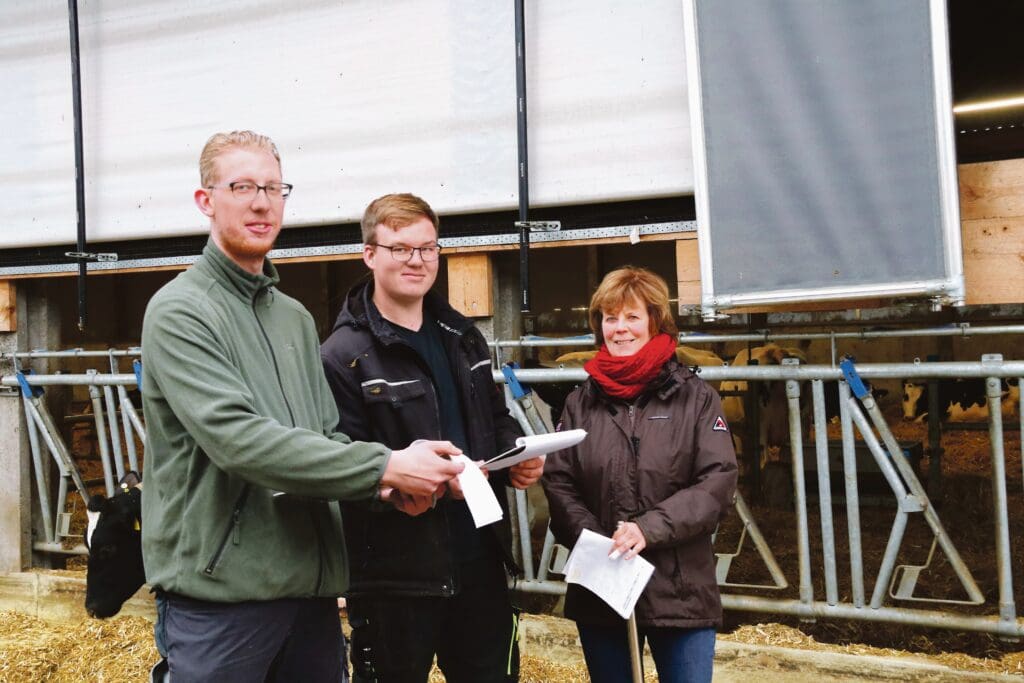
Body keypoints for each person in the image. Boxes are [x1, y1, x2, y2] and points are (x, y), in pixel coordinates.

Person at [141, 132, 465, 682]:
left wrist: (386, 488)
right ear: (206, 201)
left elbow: (325, 436)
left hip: (309, 592)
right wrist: (385, 464)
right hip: (223, 596)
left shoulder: (291, 316)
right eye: (242, 186)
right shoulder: (180, 311)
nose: (262, 202)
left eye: (273, 187)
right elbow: (237, 439)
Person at [320, 193, 545, 682]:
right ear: (370, 254)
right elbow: (338, 461)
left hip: (480, 559)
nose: (416, 260)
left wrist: (515, 458)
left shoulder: (462, 336)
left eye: (427, 248)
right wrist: (399, 490)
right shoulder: (345, 355)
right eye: (400, 248)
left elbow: (493, 418)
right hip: (395, 578)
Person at [542, 266, 737, 683]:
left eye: (632, 317)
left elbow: (717, 481)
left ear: (654, 322)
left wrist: (648, 529)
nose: (620, 329)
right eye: (610, 318)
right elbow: (559, 480)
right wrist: (592, 540)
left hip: (680, 590)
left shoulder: (695, 398)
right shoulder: (579, 403)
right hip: (603, 587)